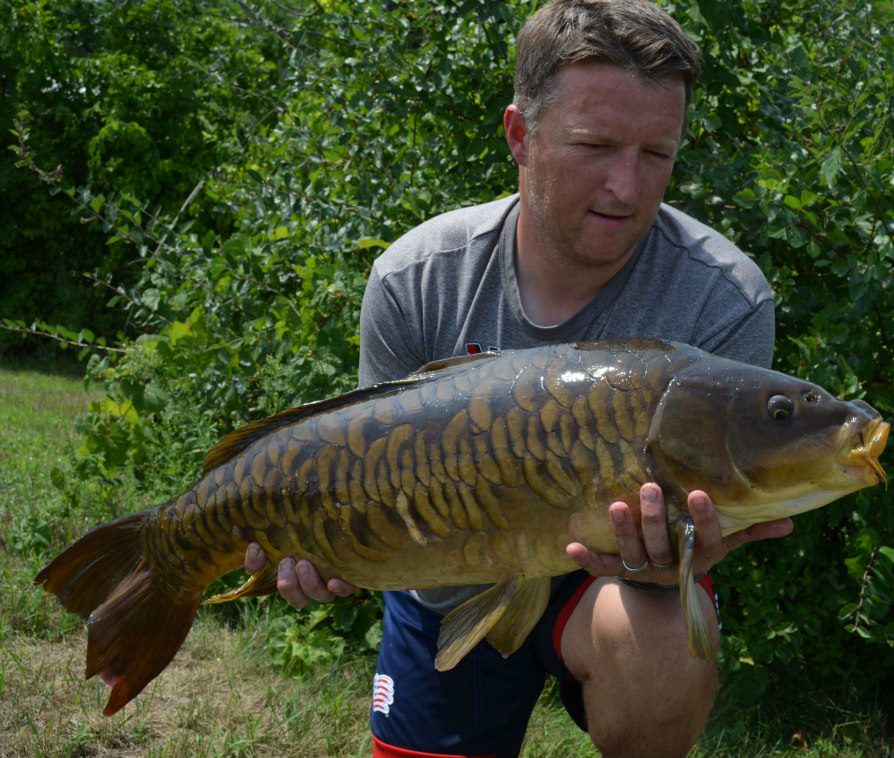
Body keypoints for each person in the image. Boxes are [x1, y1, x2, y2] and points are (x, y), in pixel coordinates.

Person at [245, 1, 794, 755]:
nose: (627, 188)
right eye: (595, 146)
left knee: (661, 656)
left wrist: (691, 549)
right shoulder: (417, 278)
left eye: (656, 155)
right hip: (448, 577)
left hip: (618, 585)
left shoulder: (725, 297)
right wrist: (332, 549)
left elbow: (708, 511)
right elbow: (362, 480)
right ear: (520, 137)